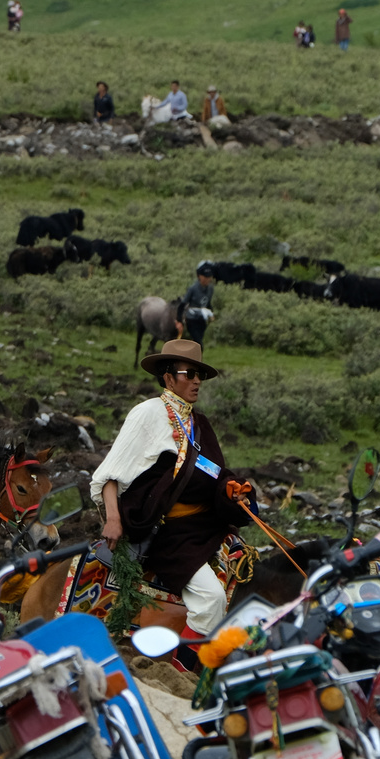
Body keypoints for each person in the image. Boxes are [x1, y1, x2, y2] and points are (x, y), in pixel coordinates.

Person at [92, 339, 251, 635]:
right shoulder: (147, 414)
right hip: (170, 534)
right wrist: (113, 518)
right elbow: (109, 475)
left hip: (203, 526)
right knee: (211, 598)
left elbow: (216, 472)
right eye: (188, 374)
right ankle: (187, 671)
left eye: (198, 375)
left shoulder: (198, 422)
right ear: (168, 377)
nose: (196, 381)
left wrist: (232, 488)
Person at [177, 262, 215, 345]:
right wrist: (179, 320)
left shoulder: (210, 289)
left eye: (209, 277)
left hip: (202, 320)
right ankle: (197, 356)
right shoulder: (192, 289)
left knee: (198, 341)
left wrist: (211, 313)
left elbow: (208, 303)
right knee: (199, 343)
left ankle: (194, 356)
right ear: (199, 276)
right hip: (192, 319)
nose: (208, 279)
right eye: (205, 277)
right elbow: (183, 304)